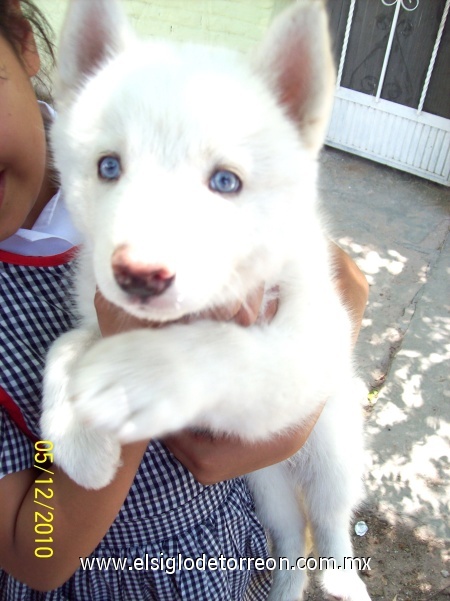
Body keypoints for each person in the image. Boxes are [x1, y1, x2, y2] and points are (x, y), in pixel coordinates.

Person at [0, 1, 369, 599]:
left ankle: (332, 547)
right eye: (111, 168)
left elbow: (343, 289)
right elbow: (37, 553)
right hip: (111, 576)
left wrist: (284, 402)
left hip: (221, 529)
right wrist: (114, 383)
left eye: (224, 180)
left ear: (22, 40)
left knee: (321, 464)